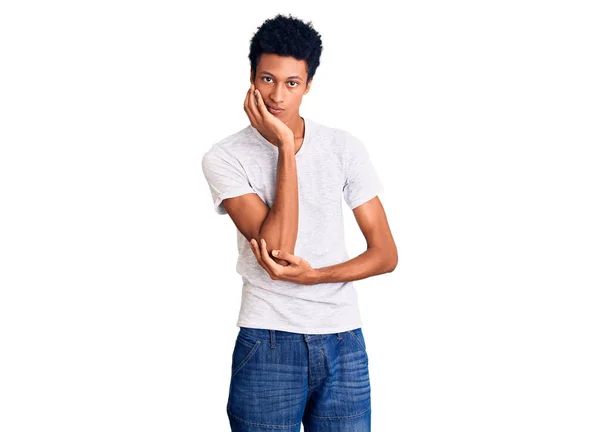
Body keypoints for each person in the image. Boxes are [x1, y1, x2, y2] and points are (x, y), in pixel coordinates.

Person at [201, 13, 397, 432]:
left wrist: (317, 277)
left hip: (343, 341)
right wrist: (286, 147)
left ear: (308, 85)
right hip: (269, 339)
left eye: (292, 83)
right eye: (268, 79)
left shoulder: (344, 147)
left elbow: (385, 253)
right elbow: (277, 248)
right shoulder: (224, 157)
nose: (277, 95)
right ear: (251, 77)